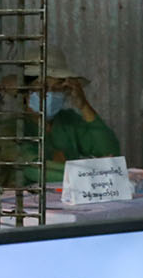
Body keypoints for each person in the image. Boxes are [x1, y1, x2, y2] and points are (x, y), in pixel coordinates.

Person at [16, 45, 123, 185]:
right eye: (43, 87)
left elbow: (110, 152)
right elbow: (33, 168)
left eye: (57, 88)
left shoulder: (68, 120)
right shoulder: (14, 126)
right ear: (25, 91)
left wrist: (84, 106)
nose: (50, 94)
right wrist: (93, 173)